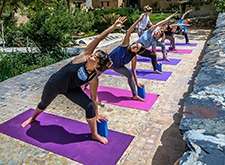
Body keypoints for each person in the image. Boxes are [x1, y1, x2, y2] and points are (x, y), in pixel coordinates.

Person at [21, 17, 127, 145]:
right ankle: (32, 119)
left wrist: (96, 114)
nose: (92, 55)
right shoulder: (83, 57)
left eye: (95, 57)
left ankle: (94, 134)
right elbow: (98, 38)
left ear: (98, 65)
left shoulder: (93, 78)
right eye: (94, 54)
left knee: (89, 106)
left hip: (70, 90)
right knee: (43, 104)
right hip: (54, 84)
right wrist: (113, 27)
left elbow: (94, 98)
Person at [108, 14, 147, 102]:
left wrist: (137, 83)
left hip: (116, 66)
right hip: (106, 62)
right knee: (94, 75)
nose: (134, 46)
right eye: (135, 45)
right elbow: (129, 32)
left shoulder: (133, 57)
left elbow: (133, 71)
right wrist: (139, 20)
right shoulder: (125, 45)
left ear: (137, 52)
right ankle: (85, 85)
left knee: (129, 75)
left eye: (137, 48)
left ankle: (134, 95)